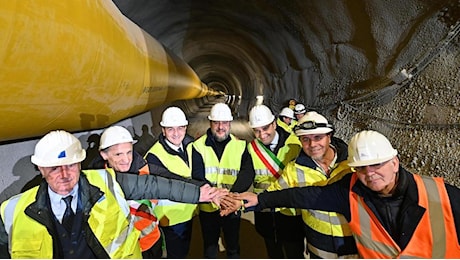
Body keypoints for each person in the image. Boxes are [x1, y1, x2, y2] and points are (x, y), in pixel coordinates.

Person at [0, 130, 226, 258]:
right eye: (54, 168)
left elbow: (157, 184)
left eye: (71, 166)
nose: (64, 175)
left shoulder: (106, 182)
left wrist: (200, 193)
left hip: (148, 245)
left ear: (80, 163)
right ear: (40, 169)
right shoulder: (13, 210)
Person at [234, 130, 460, 258]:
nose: (369, 174)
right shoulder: (350, 191)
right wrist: (260, 199)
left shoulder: (442, 195)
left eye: (377, 164)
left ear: (394, 162)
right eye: (361, 168)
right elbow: (305, 196)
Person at [89, 125, 201, 258]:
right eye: (118, 154)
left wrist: (204, 189)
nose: (126, 160)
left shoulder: (144, 169)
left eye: (129, 152)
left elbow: (173, 180)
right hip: (122, 251)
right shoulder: (95, 181)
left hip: (150, 242)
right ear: (104, 154)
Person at [193, 102, 255, 258]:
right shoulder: (198, 146)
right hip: (208, 208)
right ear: (210, 123)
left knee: (233, 245)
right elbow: (197, 175)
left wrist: (231, 196)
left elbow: (247, 173)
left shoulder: (241, 146)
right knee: (210, 246)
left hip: (232, 204)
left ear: (230, 123)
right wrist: (216, 196)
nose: (221, 127)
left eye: (225, 123)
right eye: (216, 123)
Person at [144, 107, 202, 258]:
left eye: (180, 128)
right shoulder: (154, 157)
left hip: (188, 212)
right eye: (170, 129)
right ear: (163, 130)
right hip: (171, 219)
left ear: (185, 128)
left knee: (184, 252)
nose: (176, 133)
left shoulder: (189, 146)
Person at [246, 104, 304, 258]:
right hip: (266, 215)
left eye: (265, 128)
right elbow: (246, 176)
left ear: (274, 124)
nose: (262, 134)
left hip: (290, 214)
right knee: (273, 252)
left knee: (294, 254)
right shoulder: (251, 149)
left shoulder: (295, 144)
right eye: (257, 130)